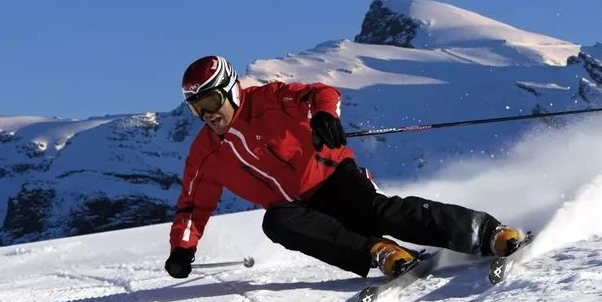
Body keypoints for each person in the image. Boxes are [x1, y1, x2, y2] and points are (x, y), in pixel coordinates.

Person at [165, 55, 525, 281]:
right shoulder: (205, 152)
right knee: (276, 222)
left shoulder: (269, 99)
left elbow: (322, 92)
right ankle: (379, 253)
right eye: (197, 108)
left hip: (333, 178)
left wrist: (323, 114)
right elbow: (193, 205)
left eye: (211, 101)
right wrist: (182, 250)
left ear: (230, 90)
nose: (208, 114)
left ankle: (487, 232)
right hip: (298, 209)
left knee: (376, 213)